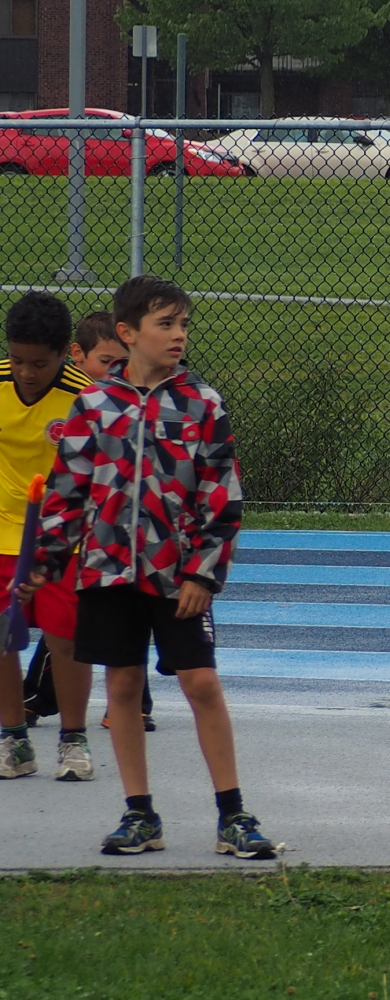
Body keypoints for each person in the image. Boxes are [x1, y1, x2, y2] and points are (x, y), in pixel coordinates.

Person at [21, 274, 279, 860]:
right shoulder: (94, 406)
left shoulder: (202, 404)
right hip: (109, 571)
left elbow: (222, 495)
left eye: (184, 324)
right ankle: (140, 814)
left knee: (202, 684)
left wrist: (202, 575)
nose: (178, 335)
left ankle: (233, 815)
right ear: (127, 333)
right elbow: (68, 494)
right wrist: (48, 559)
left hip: (176, 576)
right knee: (122, 684)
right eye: (166, 324)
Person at [22, 311, 130, 747]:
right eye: (106, 361)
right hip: (49, 525)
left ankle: (128, 701)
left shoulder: (104, 403)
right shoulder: (73, 399)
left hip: (96, 529)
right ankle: (33, 703)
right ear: (77, 355)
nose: (115, 372)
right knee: (63, 627)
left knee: (99, 616)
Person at [1, 292, 89, 783]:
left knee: (64, 639)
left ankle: (72, 741)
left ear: (63, 355)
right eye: (17, 360)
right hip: (2, 529)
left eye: (39, 363)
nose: (26, 373)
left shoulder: (84, 398)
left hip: (64, 536)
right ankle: (13, 739)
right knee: (1, 637)